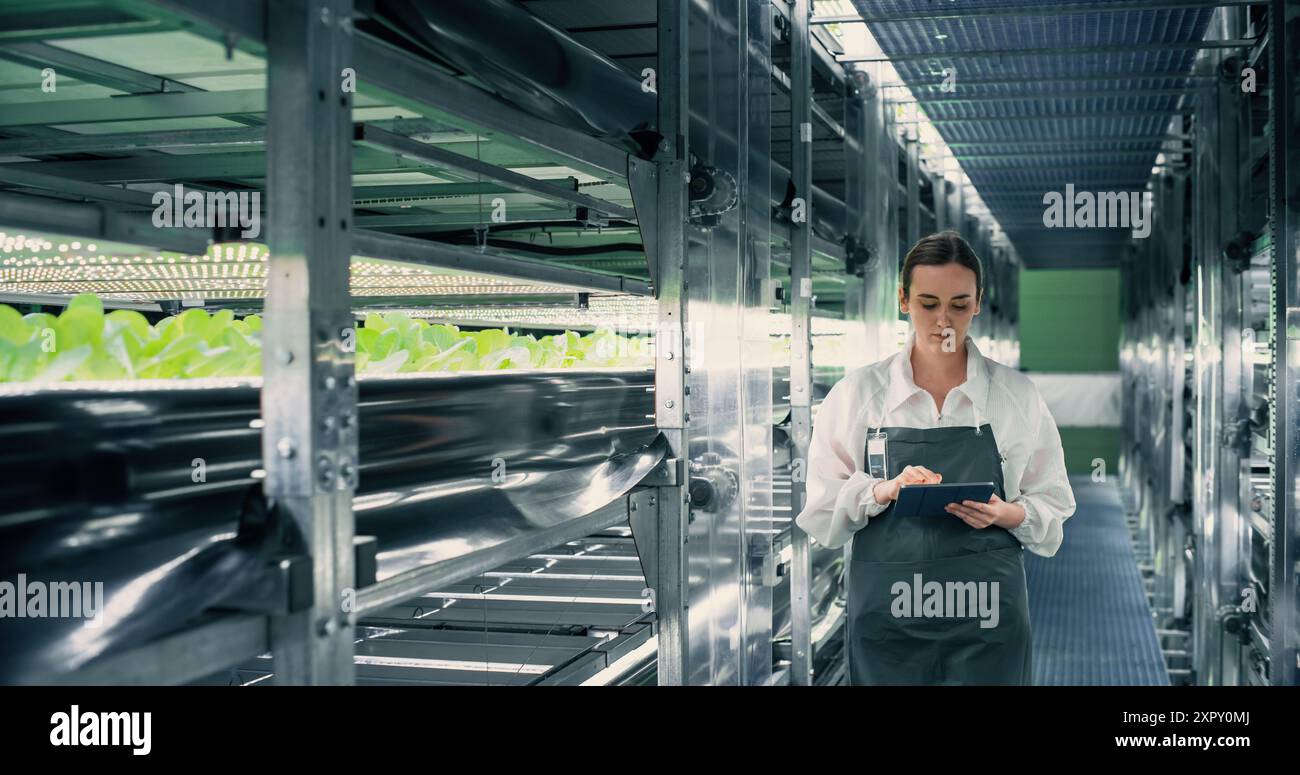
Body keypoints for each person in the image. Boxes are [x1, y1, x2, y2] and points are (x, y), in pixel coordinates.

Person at [795, 231, 1076, 685]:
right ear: (903, 300)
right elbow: (822, 511)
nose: (944, 320)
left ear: (979, 302)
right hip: (890, 618)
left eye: (959, 304)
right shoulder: (859, 395)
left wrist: (1009, 514)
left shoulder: (1015, 397)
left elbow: (1054, 501)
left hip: (987, 616)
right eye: (928, 303)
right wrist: (881, 491)